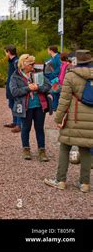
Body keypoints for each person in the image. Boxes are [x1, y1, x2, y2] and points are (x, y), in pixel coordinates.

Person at [44, 50, 93, 193]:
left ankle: (60, 181)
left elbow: (64, 101)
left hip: (74, 118)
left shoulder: (71, 76)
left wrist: (58, 119)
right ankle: (84, 184)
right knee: (85, 149)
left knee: (65, 147)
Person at [10, 54, 52, 161]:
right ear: (23, 64)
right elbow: (14, 92)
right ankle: (26, 149)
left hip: (39, 106)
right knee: (26, 128)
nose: (33, 66)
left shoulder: (38, 73)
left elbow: (48, 86)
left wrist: (38, 88)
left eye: (33, 64)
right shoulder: (15, 76)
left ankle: (42, 151)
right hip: (25, 107)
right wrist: (28, 88)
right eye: (31, 64)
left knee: (39, 129)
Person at [4, 45, 21, 133]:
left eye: (6, 52)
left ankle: (19, 125)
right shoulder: (11, 61)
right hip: (10, 88)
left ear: (9, 52)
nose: (5, 54)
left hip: (15, 89)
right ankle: (15, 122)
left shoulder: (16, 62)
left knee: (17, 105)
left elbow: (20, 76)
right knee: (11, 105)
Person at [45, 46, 61, 111]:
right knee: (53, 91)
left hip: (55, 77)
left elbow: (60, 67)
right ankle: (54, 106)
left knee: (55, 92)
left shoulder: (57, 57)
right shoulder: (52, 58)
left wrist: (54, 73)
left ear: (51, 50)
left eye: (48, 50)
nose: (47, 51)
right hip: (52, 77)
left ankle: (55, 106)